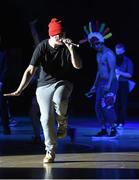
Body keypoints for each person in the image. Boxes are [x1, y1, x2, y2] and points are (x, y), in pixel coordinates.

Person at [4, 18, 82, 163]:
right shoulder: (42, 47)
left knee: (59, 98)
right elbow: (30, 70)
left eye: (62, 33)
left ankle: (62, 122)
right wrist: (20, 89)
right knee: (45, 119)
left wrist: (71, 49)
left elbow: (78, 66)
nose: (60, 36)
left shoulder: (67, 46)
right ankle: (50, 151)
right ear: (51, 35)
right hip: (44, 85)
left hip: (64, 82)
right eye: (57, 34)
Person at [83, 21, 118, 137]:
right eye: (93, 45)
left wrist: (108, 85)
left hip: (111, 82)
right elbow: (99, 71)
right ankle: (103, 128)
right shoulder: (98, 54)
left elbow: (112, 71)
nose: (95, 47)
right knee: (98, 106)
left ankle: (113, 129)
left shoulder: (109, 54)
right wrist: (94, 85)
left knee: (107, 105)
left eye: (96, 45)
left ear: (101, 43)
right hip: (101, 83)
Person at [115, 43, 134, 128]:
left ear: (123, 50)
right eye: (117, 51)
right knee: (115, 103)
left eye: (120, 51)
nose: (118, 53)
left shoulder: (128, 60)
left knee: (123, 103)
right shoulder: (113, 59)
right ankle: (116, 121)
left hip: (123, 84)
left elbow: (130, 75)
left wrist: (120, 72)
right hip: (115, 84)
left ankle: (122, 122)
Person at [0, 36, 11, 134]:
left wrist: (1, 82)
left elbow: (6, 68)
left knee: (2, 105)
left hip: (1, 83)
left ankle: (6, 127)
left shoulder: (3, 53)